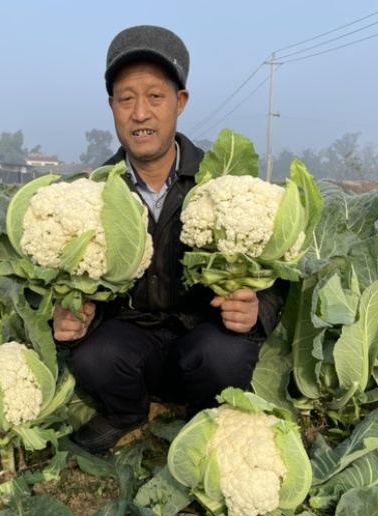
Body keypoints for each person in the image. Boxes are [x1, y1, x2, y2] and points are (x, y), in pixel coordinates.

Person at [53, 24, 288, 453]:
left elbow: (278, 278)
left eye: (155, 96)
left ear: (180, 102)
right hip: (130, 337)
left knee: (226, 355)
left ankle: (207, 418)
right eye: (126, 98)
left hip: (204, 336)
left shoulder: (220, 183)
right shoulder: (94, 193)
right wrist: (66, 314)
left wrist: (257, 310)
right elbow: (60, 276)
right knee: (91, 356)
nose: (140, 112)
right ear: (112, 107)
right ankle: (127, 411)